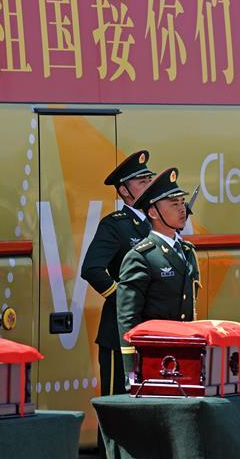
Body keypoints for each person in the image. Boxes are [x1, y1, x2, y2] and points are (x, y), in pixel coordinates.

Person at [81, 150, 154, 400]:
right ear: (124, 191)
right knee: (117, 406)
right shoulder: (115, 224)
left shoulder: (156, 224)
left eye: (149, 180)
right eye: (142, 182)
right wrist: (124, 299)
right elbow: (92, 268)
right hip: (119, 334)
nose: (149, 185)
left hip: (151, 332)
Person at [117, 167, 201, 378]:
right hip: (155, 362)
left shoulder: (187, 251)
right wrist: (132, 371)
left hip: (185, 357)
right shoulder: (141, 256)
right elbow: (128, 319)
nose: (183, 210)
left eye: (183, 203)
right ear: (153, 212)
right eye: (174, 204)